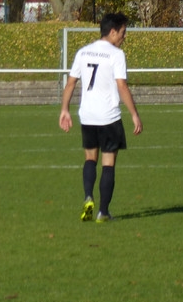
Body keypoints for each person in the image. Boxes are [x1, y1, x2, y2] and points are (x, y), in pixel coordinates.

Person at [59, 12, 143, 223]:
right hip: (108, 117)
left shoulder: (83, 52)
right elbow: (121, 85)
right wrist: (134, 114)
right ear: (112, 32)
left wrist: (64, 109)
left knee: (89, 159)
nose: (124, 38)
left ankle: (88, 196)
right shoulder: (116, 55)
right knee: (108, 164)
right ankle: (103, 212)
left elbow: (70, 83)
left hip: (87, 116)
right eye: (123, 33)